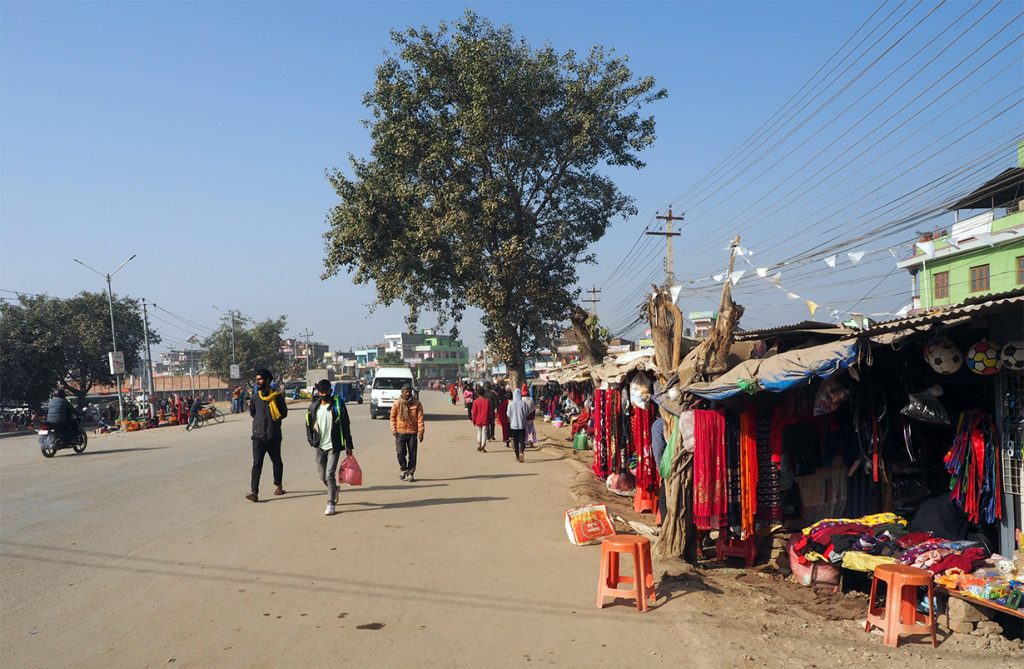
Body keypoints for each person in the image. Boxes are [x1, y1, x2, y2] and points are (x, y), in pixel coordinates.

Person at [305, 380, 354, 516]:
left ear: (330, 391)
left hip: (334, 445)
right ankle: (335, 490)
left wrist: (348, 444)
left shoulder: (338, 405)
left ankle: (330, 503)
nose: (324, 394)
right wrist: (310, 439)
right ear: (318, 392)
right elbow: (308, 424)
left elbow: (345, 425)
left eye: (327, 391)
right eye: (322, 392)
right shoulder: (313, 407)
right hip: (320, 446)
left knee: (330, 474)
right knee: (322, 476)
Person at [246, 369, 288, 502]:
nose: (258, 382)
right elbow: (252, 413)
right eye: (257, 379)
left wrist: (272, 420)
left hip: (273, 436)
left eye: (260, 379)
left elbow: (284, 413)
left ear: (268, 380)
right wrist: (260, 423)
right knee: (256, 464)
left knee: (276, 462)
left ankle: (278, 485)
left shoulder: (277, 397)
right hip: (258, 437)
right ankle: (254, 492)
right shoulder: (255, 397)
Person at [390, 384, 424, 482]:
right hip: (400, 432)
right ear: (402, 392)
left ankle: (411, 473)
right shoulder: (397, 403)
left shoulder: (416, 404)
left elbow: (420, 419)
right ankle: (403, 469)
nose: (408, 393)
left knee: (412, 454)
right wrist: (393, 429)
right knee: (400, 452)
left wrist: (421, 432)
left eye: (409, 391)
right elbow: (392, 418)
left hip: (412, 432)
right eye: (406, 391)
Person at [507, 387, 530, 463]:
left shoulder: (511, 404)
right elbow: (527, 413)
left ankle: (517, 455)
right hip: (522, 425)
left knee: (516, 441)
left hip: (513, 425)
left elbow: (508, 414)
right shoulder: (524, 403)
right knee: (522, 440)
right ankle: (521, 452)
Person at [471, 387, 491, 452]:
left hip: (478, 420)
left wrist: (474, 420)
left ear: (478, 393)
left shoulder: (475, 401)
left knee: (479, 432)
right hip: (485, 420)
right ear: (484, 393)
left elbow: (474, 412)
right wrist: (491, 419)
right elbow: (490, 411)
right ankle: (483, 446)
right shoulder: (487, 401)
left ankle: (479, 445)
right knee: (484, 433)